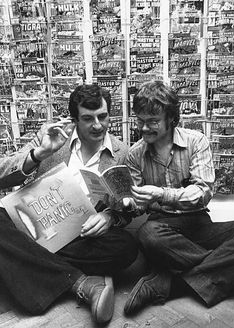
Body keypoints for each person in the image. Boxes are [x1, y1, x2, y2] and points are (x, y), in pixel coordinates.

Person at [123, 80, 234, 315]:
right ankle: (220, 271)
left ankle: (170, 283)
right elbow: (136, 204)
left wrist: (161, 193)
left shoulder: (197, 141)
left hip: (198, 222)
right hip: (162, 229)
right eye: (140, 121)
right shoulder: (134, 154)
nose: (144, 128)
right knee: (147, 234)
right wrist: (130, 203)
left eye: (153, 122)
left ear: (171, 120)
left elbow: (203, 193)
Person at [28, 83, 137, 324]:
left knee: (128, 247)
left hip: (89, 237)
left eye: (103, 116)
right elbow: (13, 174)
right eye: (88, 118)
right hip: (45, 228)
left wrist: (110, 216)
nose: (98, 125)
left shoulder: (123, 153)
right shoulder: (54, 142)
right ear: (74, 119)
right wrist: (40, 153)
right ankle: (84, 282)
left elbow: (130, 208)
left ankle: (31, 262)